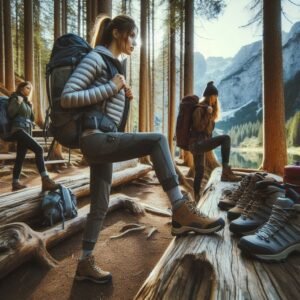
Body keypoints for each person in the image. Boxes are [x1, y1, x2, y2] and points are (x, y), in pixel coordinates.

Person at [61, 15, 225, 284]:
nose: (135, 42)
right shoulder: (95, 59)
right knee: (158, 139)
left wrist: (120, 96)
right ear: (116, 33)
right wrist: (110, 88)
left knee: (100, 204)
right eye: (132, 35)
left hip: (102, 140)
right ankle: (180, 209)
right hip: (94, 139)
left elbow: (103, 111)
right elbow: (67, 98)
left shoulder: (112, 66)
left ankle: (84, 263)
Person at [189, 81, 240, 202]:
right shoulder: (200, 109)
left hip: (199, 144)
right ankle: (226, 172)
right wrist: (207, 114)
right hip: (196, 144)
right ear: (209, 96)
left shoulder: (208, 110)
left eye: (216, 96)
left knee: (200, 170)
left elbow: (207, 132)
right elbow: (198, 128)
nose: (216, 99)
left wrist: (210, 116)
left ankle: (196, 196)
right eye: (214, 96)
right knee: (226, 138)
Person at [8, 81, 59, 192]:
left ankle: (15, 183)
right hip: (18, 129)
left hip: (26, 131)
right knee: (39, 149)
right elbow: (11, 113)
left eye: (30, 89)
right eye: (27, 88)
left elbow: (31, 120)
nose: (29, 90)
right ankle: (45, 179)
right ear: (21, 88)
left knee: (20, 157)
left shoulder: (26, 102)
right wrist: (18, 103)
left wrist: (30, 107)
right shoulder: (15, 98)